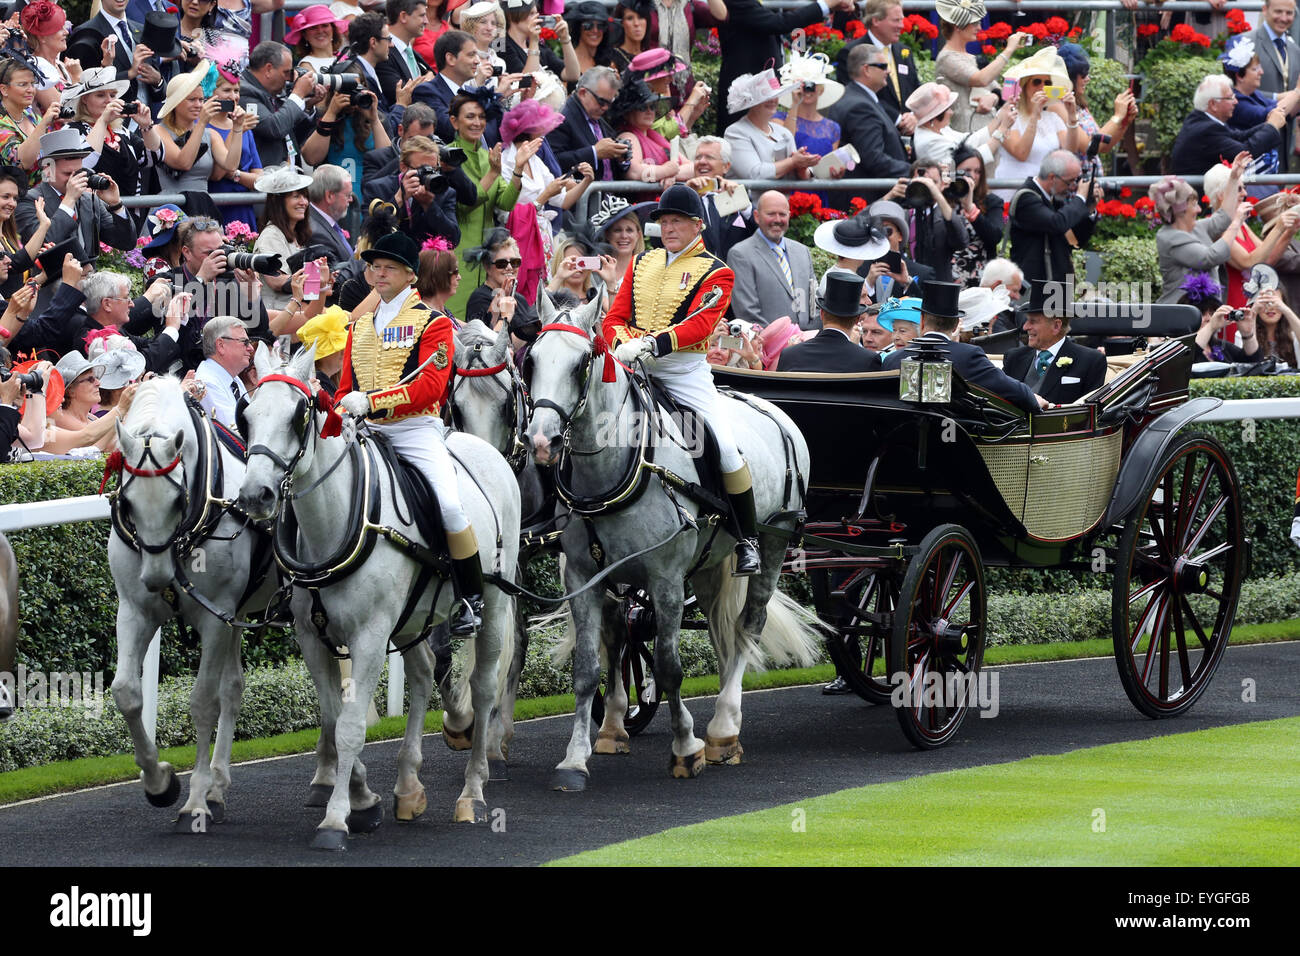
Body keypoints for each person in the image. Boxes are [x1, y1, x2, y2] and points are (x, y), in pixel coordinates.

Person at [602, 184, 759, 574]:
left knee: (724, 449)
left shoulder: (717, 271)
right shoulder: (641, 263)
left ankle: (747, 539)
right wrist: (623, 343)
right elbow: (613, 318)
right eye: (664, 221)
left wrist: (653, 344)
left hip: (683, 372)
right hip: (633, 365)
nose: (669, 228)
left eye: (677, 221)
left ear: (697, 225)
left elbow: (701, 324)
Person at [335, 230, 484, 633]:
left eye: (388, 268)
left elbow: (430, 388)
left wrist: (373, 402)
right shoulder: (360, 325)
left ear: (409, 275)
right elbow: (345, 388)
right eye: (374, 267)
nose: (379, 274)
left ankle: (469, 599)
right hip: (364, 430)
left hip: (414, 430)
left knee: (451, 507)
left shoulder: (432, 323)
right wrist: (334, 413)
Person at [883, 280, 1046, 415]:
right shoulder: (968, 356)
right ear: (955, 326)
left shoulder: (892, 360)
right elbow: (1014, 391)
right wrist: (1034, 399)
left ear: (923, 321)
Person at [15, 130, 137, 309]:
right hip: (48, 299)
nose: (74, 180)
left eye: (78, 173)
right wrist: (69, 201)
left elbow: (126, 242)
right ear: (47, 170)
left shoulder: (88, 200)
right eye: (67, 174)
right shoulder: (29, 201)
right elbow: (44, 243)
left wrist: (116, 204)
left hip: (87, 300)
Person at [717, 0, 854, 135]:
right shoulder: (737, 2)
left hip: (762, 95)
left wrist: (833, 4)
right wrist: (827, 4)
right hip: (746, 98)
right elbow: (780, 23)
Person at [446, 92, 522, 318]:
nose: (477, 123)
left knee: (490, 323)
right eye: (470, 116)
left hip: (488, 261)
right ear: (454, 121)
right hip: (459, 253)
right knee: (460, 322)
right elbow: (467, 203)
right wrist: (493, 172)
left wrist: (518, 169)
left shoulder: (485, 155)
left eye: (481, 117)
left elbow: (505, 202)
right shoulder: (447, 157)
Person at [1203, 159, 1300, 308]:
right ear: (1222, 194)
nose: (1245, 193)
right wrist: (1278, 227)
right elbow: (1248, 262)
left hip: (1252, 302)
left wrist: (1289, 232)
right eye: (1239, 188)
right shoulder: (1217, 228)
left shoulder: (1241, 224)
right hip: (1233, 304)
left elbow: (1268, 260)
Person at [994, 47, 1087, 202]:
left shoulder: (1052, 117)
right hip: (1012, 194)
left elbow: (1069, 152)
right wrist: (1034, 116)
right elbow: (1021, 153)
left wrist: (1071, 116)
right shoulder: (1007, 115)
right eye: (1036, 82)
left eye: (1047, 82)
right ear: (1024, 86)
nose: (1042, 87)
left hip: (1043, 196)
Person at [1002, 279, 1107, 405]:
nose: (1025, 327)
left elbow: (1090, 413)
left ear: (1056, 326)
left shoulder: (1091, 361)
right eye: (1026, 321)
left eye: (1033, 321)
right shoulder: (1014, 358)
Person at [824, 43, 911, 197]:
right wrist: (914, 171)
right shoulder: (860, 106)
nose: (889, 71)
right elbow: (873, 158)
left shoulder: (857, 97)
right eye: (883, 66)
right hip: (869, 199)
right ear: (866, 70)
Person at [1152, 170, 1250, 304]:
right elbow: (1210, 257)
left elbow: (1223, 217)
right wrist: (1237, 222)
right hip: (1179, 317)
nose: (1199, 209)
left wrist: (1233, 178)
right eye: (1194, 204)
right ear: (1181, 211)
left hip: (1204, 314)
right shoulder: (1169, 238)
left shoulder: (1197, 227)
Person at [934, 0, 1028, 134]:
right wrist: (1008, 50)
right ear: (957, 26)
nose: (979, 28)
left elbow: (996, 88)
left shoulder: (970, 57)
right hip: (965, 136)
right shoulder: (947, 58)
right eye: (974, 23)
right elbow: (981, 79)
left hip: (985, 134)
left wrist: (993, 98)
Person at [728, 191, 816, 331]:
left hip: (806, 345)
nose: (777, 219)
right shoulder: (740, 254)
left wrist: (808, 339)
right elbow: (747, 312)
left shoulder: (802, 251)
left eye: (782, 214)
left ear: (789, 215)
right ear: (757, 216)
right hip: (766, 347)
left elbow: (813, 304)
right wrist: (782, 340)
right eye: (771, 214)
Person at [1006, 149, 1095, 286]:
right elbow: (1056, 224)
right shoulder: (1026, 198)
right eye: (1070, 181)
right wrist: (1080, 197)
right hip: (1035, 287)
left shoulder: (1054, 199)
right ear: (1053, 177)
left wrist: (1089, 208)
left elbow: (1075, 240)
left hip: (1056, 285)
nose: (1073, 187)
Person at [1170, 73, 1286, 176]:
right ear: (1213, 104)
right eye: (1230, 98)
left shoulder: (1201, 119)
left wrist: (1267, 123)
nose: (1236, 102)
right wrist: (1272, 126)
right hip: (1199, 197)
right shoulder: (1206, 129)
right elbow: (1244, 153)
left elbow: (1239, 136)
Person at [833, 0, 917, 133]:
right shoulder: (852, 53)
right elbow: (857, 95)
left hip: (910, 133)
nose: (901, 26)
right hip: (875, 131)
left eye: (902, 20)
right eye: (896, 20)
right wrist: (898, 119)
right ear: (876, 20)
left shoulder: (903, 51)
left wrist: (913, 116)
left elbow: (915, 88)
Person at [1057, 42, 1136, 180]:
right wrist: (1117, 116)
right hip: (1074, 185)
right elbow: (1089, 147)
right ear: (1069, 78)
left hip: (1091, 182)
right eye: (1083, 75)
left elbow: (1104, 146)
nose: (1088, 79)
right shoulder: (1057, 106)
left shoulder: (1079, 104)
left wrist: (1124, 121)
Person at [775, 272, 881, 372]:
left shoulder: (790, 355)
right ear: (857, 319)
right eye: (863, 296)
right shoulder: (867, 360)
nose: (869, 301)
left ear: (821, 314)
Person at [240, 40, 319, 168]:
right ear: (268, 69)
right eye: (286, 72)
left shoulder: (272, 91)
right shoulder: (244, 92)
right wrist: (298, 94)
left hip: (286, 177)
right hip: (263, 180)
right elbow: (274, 128)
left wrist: (308, 105)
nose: (289, 79)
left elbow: (291, 132)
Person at [207, 64, 265, 230]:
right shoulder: (201, 125)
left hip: (243, 208)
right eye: (226, 90)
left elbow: (259, 179)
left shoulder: (242, 126)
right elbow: (217, 174)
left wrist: (234, 174)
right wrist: (236, 130)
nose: (234, 97)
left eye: (237, 91)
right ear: (211, 91)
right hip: (215, 208)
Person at [251, 164, 315, 312]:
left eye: (305, 196)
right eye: (296, 196)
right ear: (278, 201)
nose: (303, 202)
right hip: (279, 318)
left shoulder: (294, 234)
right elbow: (276, 280)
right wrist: (315, 279)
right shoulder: (271, 235)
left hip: (297, 312)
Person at [547, 66, 630, 181]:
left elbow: (608, 168)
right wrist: (594, 152)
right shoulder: (561, 117)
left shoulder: (597, 118)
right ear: (582, 93)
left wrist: (620, 159)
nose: (605, 108)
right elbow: (551, 160)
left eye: (610, 103)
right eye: (601, 102)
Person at [686, 135, 754, 260]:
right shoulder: (686, 196)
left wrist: (742, 202)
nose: (702, 161)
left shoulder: (736, 197)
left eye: (709, 157)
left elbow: (759, 233)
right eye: (698, 157)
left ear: (726, 166)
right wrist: (687, 195)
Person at [613, 77, 687, 188]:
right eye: (642, 107)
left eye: (652, 106)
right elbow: (633, 172)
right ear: (627, 113)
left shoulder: (655, 137)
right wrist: (664, 171)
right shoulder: (627, 136)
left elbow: (692, 167)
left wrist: (671, 174)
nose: (649, 111)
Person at [949, 144, 1005, 288]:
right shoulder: (945, 199)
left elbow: (994, 237)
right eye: (966, 171)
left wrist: (970, 208)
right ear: (953, 171)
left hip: (980, 279)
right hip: (947, 277)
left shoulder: (992, 201)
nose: (972, 176)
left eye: (978, 171)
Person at [0, 57, 60, 186]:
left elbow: (51, 156)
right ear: (4, 90)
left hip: (45, 193)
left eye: (32, 84)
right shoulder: (2, 122)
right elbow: (21, 162)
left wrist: (54, 190)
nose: (31, 90)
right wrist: (43, 124)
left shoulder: (30, 115)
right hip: (16, 199)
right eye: (23, 84)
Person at [0, 169, 53, 304]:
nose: (12, 203)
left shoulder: (7, 238)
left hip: (13, 318)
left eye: (15, 198)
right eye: (6, 197)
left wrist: (44, 274)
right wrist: (43, 226)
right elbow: (17, 263)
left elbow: (17, 289)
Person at [501, 0, 580, 83]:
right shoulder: (501, 46)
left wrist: (565, 39)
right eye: (531, 13)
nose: (537, 18)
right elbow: (527, 83)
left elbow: (572, 75)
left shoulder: (540, 48)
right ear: (511, 16)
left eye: (537, 14)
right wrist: (534, 42)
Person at [462, 227, 527, 326]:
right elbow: (483, 338)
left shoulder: (520, 299)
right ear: (487, 267)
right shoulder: (479, 299)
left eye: (514, 262)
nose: (509, 267)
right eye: (501, 263)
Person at [306, 163, 357, 264]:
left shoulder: (325, 221)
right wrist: (359, 258)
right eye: (348, 195)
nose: (351, 199)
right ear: (329, 196)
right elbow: (335, 275)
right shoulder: (316, 234)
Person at [288, 4, 349, 73]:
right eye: (313, 28)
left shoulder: (343, 59)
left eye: (325, 25)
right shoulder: (306, 65)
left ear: (333, 30)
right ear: (305, 35)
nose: (320, 31)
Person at [415, 242, 461, 318]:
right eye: (455, 272)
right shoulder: (429, 317)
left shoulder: (441, 310)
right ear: (438, 276)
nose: (459, 277)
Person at [611, 1, 649, 73]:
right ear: (621, 23)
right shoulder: (612, 57)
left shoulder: (651, 55)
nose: (636, 23)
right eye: (630, 18)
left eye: (641, 17)